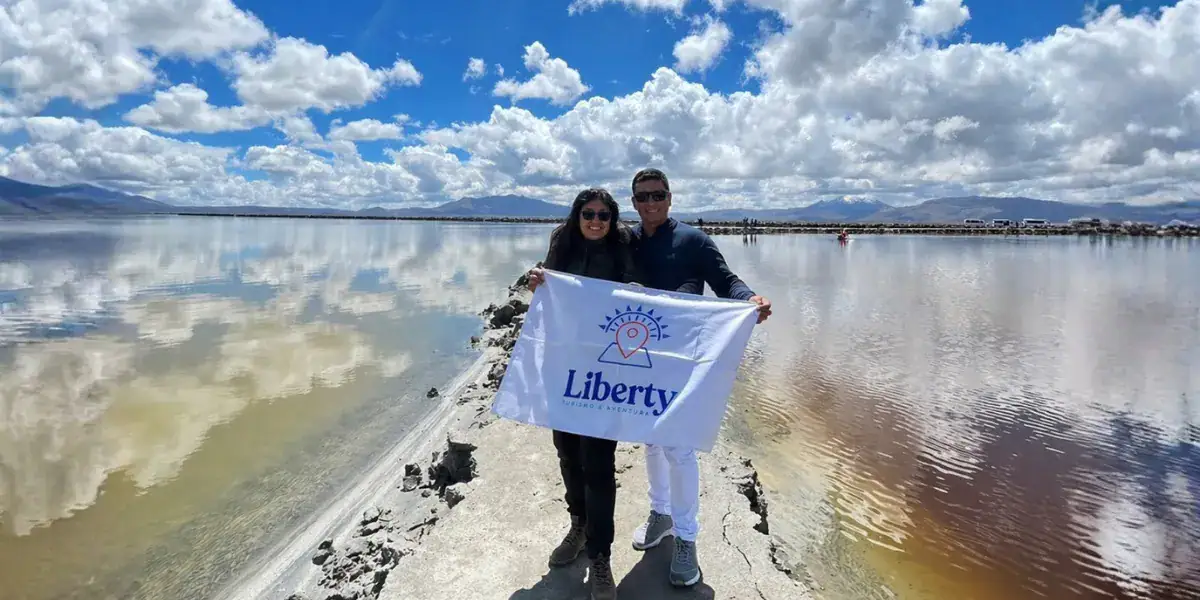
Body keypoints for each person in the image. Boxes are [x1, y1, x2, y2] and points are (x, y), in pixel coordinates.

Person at [624, 167, 771, 588]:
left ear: (670, 198)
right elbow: (592, 275)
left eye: (657, 195)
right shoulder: (627, 241)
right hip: (638, 359)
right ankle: (660, 513)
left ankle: (687, 538)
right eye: (642, 197)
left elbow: (726, 282)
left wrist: (750, 300)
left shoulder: (693, 240)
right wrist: (550, 279)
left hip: (683, 358)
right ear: (633, 203)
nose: (650, 203)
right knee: (650, 440)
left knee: (679, 447)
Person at [526, 187, 639, 600]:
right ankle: (577, 525)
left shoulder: (623, 244)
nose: (595, 221)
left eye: (604, 215)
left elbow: (633, 292)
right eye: (588, 213)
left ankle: (601, 554)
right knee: (567, 453)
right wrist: (537, 281)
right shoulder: (562, 240)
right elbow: (548, 289)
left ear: (613, 220)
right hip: (562, 365)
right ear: (576, 216)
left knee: (599, 463)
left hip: (603, 373)